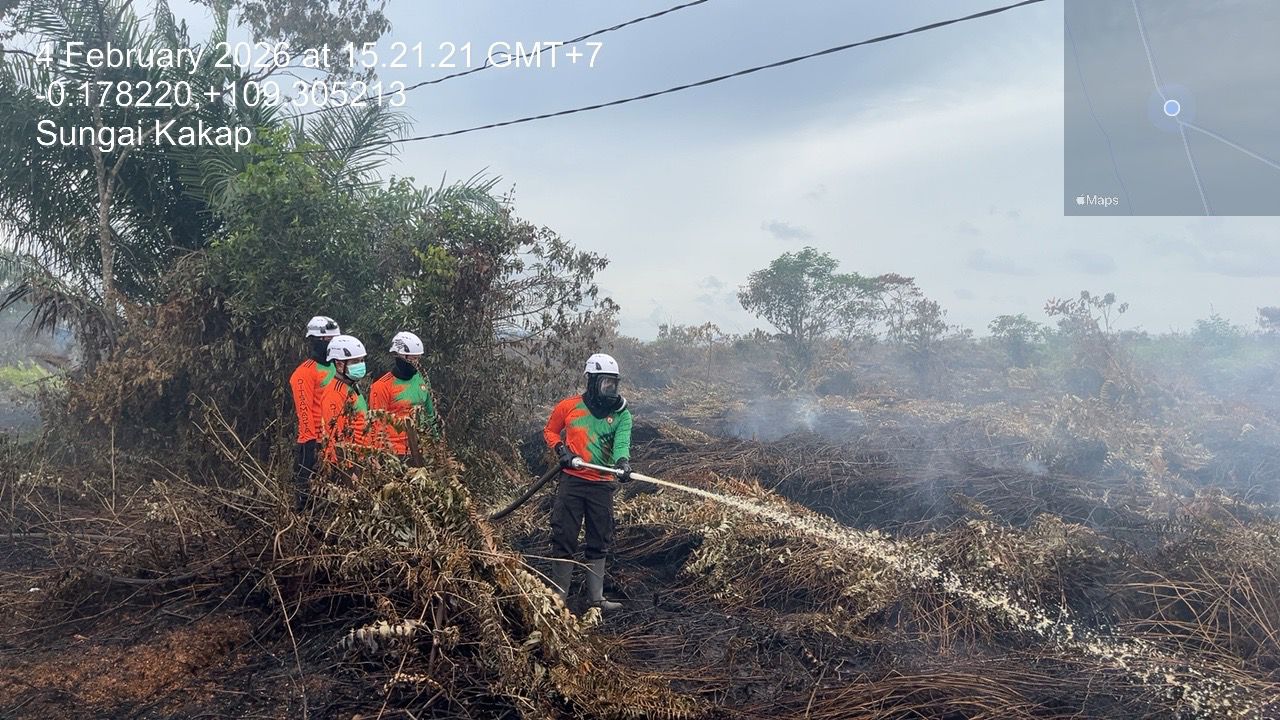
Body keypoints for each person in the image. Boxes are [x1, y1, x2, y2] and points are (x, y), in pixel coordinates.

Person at [543, 352, 634, 612]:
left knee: (600, 538)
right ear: (592, 381)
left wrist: (622, 463)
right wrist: (562, 451)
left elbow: (621, 443)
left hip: (602, 484)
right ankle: (559, 598)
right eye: (606, 383)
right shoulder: (568, 406)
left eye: (614, 384)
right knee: (564, 536)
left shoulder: (622, 415)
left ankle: (596, 598)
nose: (610, 389)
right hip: (572, 482)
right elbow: (550, 430)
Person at [288, 315, 341, 507]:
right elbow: (304, 410)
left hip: (337, 442)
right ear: (315, 341)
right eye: (326, 340)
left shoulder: (338, 368)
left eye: (333, 339)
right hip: (313, 442)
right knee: (307, 493)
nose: (330, 343)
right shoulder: (304, 372)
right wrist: (312, 445)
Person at [369, 331, 440, 465]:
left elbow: (430, 413)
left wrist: (437, 443)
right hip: (396, 454)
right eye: (412, 359)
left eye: (418, 358)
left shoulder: (421, 379)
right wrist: (377, 458)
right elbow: (376, 424)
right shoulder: (382, 386)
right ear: (399, 356)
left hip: (423, 449)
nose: (416, 363)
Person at [318, 334, 374, 472]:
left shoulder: (352, 388)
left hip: (361, 461)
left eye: (361, 360)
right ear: (339, 364)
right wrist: (347, 472)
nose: (360, 365)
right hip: (346, 467)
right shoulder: (334, 393)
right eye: (355, 361)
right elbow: (335, 438)